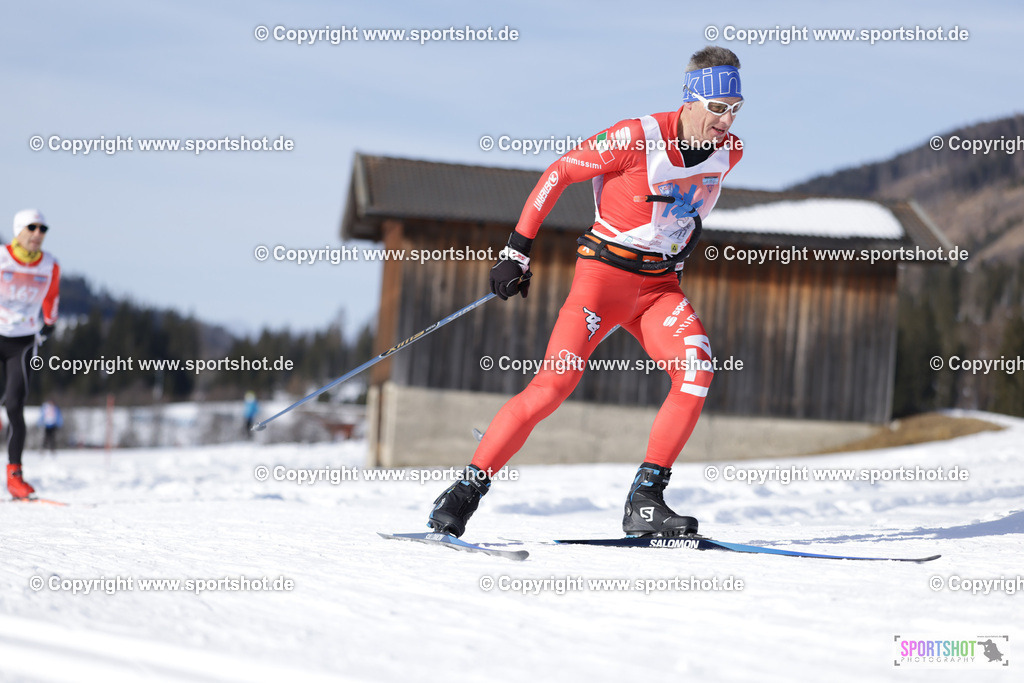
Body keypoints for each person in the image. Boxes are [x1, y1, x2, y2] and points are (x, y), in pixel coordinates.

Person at [428, 46, 744, 538]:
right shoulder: (635, 137)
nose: (727, 121)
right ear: (689, 101)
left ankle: (646, 499)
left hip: (658, 288)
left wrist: (677, 252)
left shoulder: (732, 151)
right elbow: (558, 173)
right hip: (602, 281)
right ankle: (464, 492)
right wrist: (516, 252)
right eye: (718, 108)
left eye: (736, 109)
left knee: (697, 373)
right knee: (551, 389)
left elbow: (686, 210)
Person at [2, 209, 60, 499]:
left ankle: (15, 477)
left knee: (14, 406)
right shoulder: (1, 258)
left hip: (22, 342)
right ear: (18, 231)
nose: (38, 234)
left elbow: (50, 296)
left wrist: (49, 323)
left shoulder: (49, 264)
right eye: (32, 228)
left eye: (43, 229)